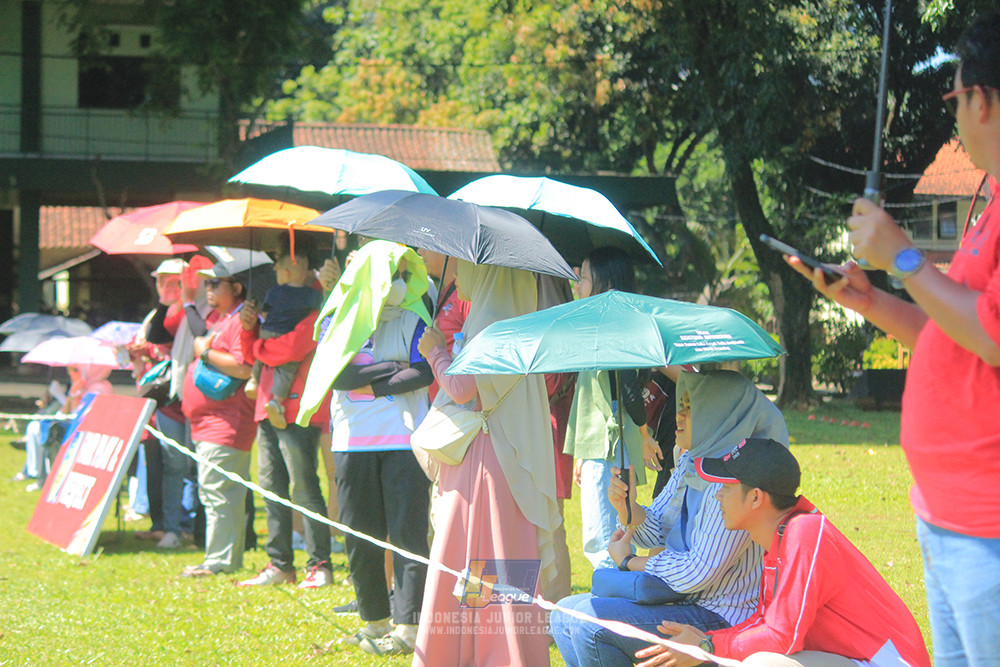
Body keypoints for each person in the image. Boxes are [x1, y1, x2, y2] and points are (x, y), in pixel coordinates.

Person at [785, 12, 1000, 663]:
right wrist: (870, 299)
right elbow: (954, 330)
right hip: (948, 517)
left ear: (980, 99)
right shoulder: (991, 207)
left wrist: (904, 257)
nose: (954, 116)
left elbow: (992, 335)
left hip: (987, 527)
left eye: (953, 98)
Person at [551, 370, 789, 667]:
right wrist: (628, 508)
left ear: (720, 415)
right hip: (683, 602)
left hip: (720, 617)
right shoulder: (694, 460)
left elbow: (698, 571)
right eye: (681, 404)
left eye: (691, 407)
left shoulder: (736, 482)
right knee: (563, 614)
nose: (679, 414)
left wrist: (630, 561)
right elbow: (660, 527)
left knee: (588, 623)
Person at [636, 437, 930, 667]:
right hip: (852, 659)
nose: (718, 495)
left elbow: (781, 638)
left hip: (885, 663)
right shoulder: (780, 537)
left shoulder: (803, 533)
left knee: (762, 664)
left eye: (726, 486)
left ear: (755, 498)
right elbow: (766, 622)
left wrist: (706, 647)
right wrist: (706, 640)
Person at [413, 260, 561, 667]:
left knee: (477, 556)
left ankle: (469, 654)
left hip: (485, 460)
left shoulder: (490, 321)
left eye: (466, 267)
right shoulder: (515, 320)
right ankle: (499, 652)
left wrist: (435, 352)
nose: (459, 275)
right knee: (502, 557)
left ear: (489, 273)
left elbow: (462, 389)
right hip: (505, 457)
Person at [237, 238, 332, 589]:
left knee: (304, 486)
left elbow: (295, 346)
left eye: (280, 261)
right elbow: (251, 353)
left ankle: (320, 565)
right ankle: (280, 564)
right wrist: (249, 327)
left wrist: (258, 342)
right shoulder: (279, 301)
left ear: (300, 264)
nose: (276, 269)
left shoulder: (318, 300)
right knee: (271, 486)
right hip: (267, 405)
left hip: (298, 407)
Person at [564, 246, 656, 570]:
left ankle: (610, 600)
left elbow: (628, 391)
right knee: (605, 535)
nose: (578, 285)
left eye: (584, 278)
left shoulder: (611, 330)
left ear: (605, 284)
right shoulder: (602, 328)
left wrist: (644, 434)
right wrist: (582, 454)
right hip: (598, 447)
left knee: (604, 541)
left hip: (609, 446)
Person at [180, 263, 256, 577]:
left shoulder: (240, 320)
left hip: (225, 423)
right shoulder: (222, 318)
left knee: (218, 494)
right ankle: (222, 559)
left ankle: (220, 562)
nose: (208, 289)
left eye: (215, 283)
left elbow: (244, 367)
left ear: (236, 287)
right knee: (217, 493)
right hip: (209, 424)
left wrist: (205, 353)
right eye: (206, 284)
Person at [244, 245, 323, 430]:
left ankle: (253, 380)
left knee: (267, 362)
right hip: (283, 335)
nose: (274, 268)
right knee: (286, 372)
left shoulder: (274, 291)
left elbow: (291, 348)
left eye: (277, 264)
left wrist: (258, 344)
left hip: (267, 332)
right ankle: (277, 400)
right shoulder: (313, 296)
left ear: (286, 272)